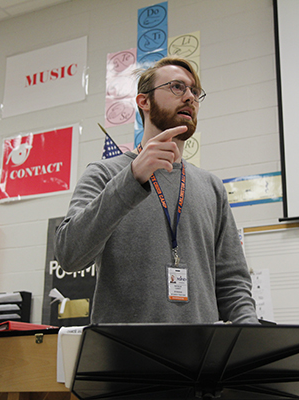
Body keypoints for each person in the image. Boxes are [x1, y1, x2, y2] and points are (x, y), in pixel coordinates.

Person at [55, 56, 258, 324]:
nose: (189, 97)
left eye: (194, 91)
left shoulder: (211, 187)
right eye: (177, 87)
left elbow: (232, 282)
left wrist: (251, 334)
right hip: (123, 359)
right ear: (144, 101)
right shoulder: (105, 174)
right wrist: (132, 178)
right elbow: (70, 255)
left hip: (199, 359)